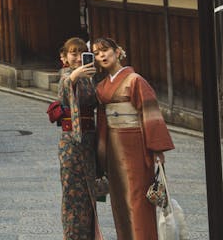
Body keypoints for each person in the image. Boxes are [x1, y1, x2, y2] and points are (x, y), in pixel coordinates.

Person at [92, 37, 174, 240]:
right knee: (119, 202)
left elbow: (150, 112)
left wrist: (156, 149)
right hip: (113, 146)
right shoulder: (102, 86)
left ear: (118, 52)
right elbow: (101, 121)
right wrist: (100, 154)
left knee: (138, 202)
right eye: (96, 53)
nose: (101, 55)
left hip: (136, 146)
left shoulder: (135, 80)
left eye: (105, 50)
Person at [56, 37, 100, 240]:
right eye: (73, 53)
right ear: (64, 57)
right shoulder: (66, 74)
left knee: (88, 192)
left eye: (82, 53)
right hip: (72, 142)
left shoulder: (89, 77)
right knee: (74, 193)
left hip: (89, 140)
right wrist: (74, 76)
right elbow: (64, 92)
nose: (78, 57)